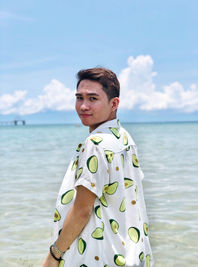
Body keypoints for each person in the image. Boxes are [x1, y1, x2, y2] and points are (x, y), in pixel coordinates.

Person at [42, 67, 154, 267]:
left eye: (93, 98)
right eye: (79, 97)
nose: (83, 106)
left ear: (114, 103)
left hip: (99, 257)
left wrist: (54, 255)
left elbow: (81, 210)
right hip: (128, 252)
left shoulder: (95, 145)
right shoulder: (125, 138)